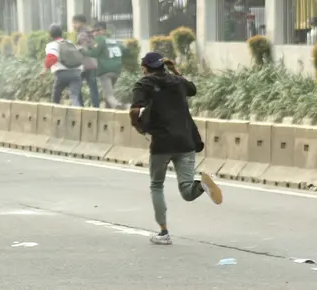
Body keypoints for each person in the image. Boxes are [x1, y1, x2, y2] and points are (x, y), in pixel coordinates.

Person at [129, 52, 223, 246]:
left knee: (156, 185)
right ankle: (202, 185)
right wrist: (175, 70)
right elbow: (192, 89)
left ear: (145, 68)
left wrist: (137, 125)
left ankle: (163, 233)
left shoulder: (143, 84)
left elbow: (135, 110)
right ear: (163, 66)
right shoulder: (178, 82)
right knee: (187, 190)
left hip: (162, 142)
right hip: (186, 141)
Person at [42, 24, 83, 106]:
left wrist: (44, 70)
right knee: (75, 95)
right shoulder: (70, 43)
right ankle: (80, 113)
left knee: (56, 94)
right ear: (61, 33)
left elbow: (52, 58)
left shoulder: (52, 45)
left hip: (62, 73)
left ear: (50, 35)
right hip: (77, 71)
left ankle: (55, 112)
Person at [87, 22, 124, 109]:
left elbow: (93, 53)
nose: (94, 33)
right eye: (93, 31)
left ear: (103, 31)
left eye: (96, 31)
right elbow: (125, 50)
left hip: (105, 71)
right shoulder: (114, 41)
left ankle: (119, 106)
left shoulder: (100, 39)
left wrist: (86, 49)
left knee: (109, 96)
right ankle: (108, 114)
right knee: (107, 95)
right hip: (116, 70)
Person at [73, 14, 100, 107]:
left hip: (84, 64)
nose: (73, 25)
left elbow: (83, 50)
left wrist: (76, 48)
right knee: (93, 88)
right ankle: (97, 109)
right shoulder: (91, 33)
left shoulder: (82, 34)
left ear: (80, 23)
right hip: (93, 63)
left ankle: (80, 108)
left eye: (75, 23)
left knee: (76, 87)